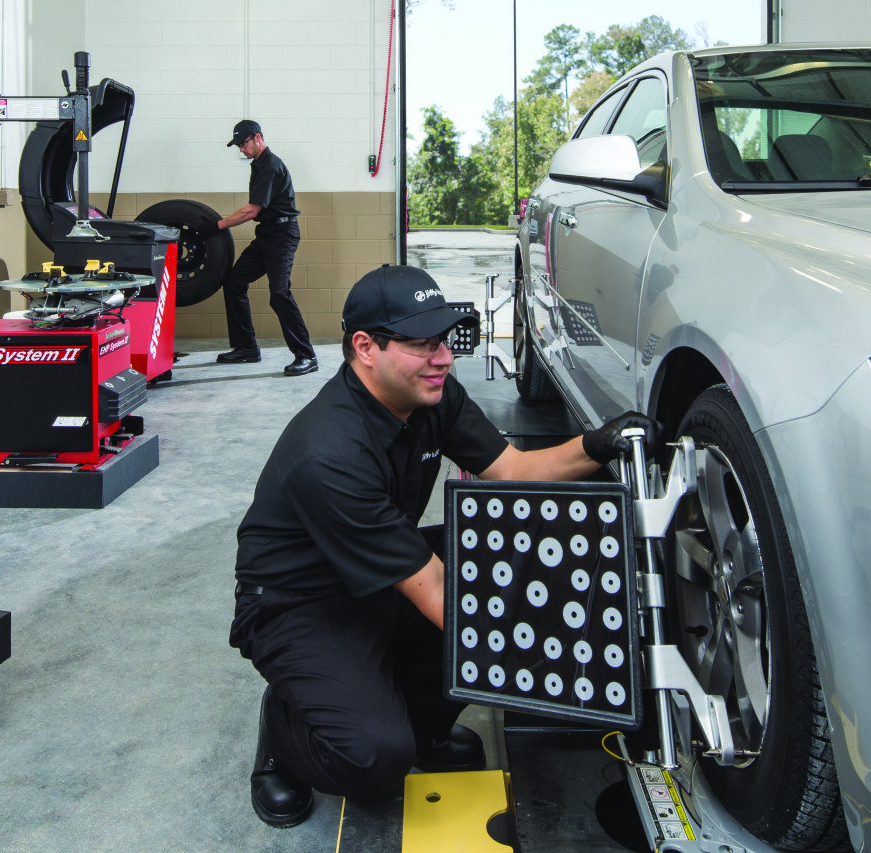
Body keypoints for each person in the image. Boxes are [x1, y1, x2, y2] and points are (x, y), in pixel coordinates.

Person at [229, 264, 638, 827]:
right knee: (376, 761)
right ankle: (284, 724)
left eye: (444, 340)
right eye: (422, 344)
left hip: (386, 571)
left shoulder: (429, 394)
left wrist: (602, 443)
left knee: (500, 556)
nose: (443, 357)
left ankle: (423, 730)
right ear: (365, 347)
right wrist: (570, 652)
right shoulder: (330, 454)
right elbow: (444, 595)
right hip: (301, 602)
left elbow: (514, 471)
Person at [216, 120, 317, 376]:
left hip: (282, 235)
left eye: (244, 144)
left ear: (258, 137)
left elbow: (252, 210)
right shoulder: (258, 165)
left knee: (279, 293)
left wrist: (218, 225)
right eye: (239, 146)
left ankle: (306, 356)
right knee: (234, 282)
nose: (241, 149)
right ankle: (246, 348)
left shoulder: (271, 165)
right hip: (266, 235)